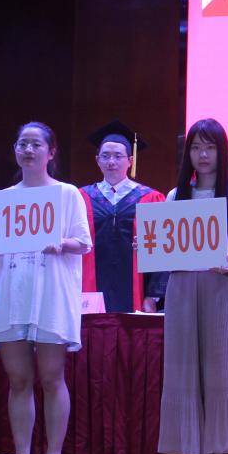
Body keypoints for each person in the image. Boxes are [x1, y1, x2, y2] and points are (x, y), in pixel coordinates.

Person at [0, 122, 92, 454]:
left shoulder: (67, 194)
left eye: (36, 144)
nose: (28, 150)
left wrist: (61, 243)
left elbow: (83, 243)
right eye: (22, 144)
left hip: (51, 293)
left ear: (51, 152)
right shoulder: (2, 198)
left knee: (52, 377)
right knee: (18, 379)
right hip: (14, 292)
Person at [157, 119, 228, 454]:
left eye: (210, 147)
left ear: (222, 151)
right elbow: (167, 248)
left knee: (221, 372)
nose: (203, 155)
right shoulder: (176, 196)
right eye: (196, 148)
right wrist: (150, 246)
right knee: (183, 370)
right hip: (182, 287)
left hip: (222, 286)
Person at [79, 120, 168, 313]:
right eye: (105, 156)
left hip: (136, 291)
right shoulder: (81, 197)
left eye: (118, 156)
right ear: (97, 160)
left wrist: (152, 296)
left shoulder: (151, 198)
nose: (111, 162)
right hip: (88, 292)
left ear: (130, 160)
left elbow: (161, 254)